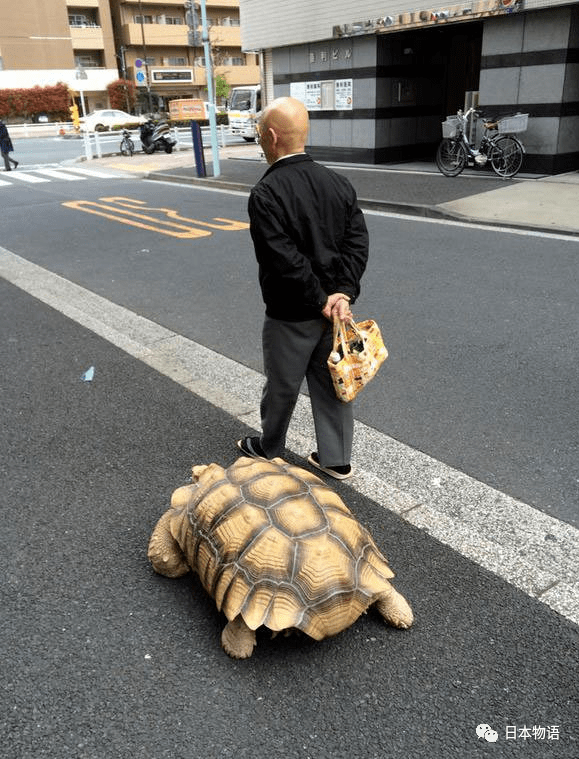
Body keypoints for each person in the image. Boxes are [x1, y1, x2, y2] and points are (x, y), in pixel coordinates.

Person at [237, 96, 369, 479]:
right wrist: (342, 294)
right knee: (333, 383)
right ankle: (336, 459)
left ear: (272, 136)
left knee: (282, 384)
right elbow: (356, 242)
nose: (261, 140)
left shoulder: (267, 193)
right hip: (336, 314)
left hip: (291, 312)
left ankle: (269, 448)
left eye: (261, 134)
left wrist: (319, 298)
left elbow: (283, 259)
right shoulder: (338, 183)